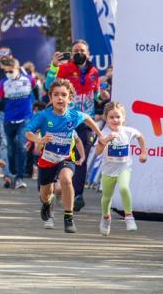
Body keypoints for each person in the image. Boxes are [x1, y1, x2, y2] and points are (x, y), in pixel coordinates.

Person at [25, 78, 105, 233]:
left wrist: (100, 135)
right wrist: (39, 139)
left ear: (70, 98)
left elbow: (88, 118)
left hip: (66, 157)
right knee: (45, 193)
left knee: (66, 180)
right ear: (51, 98)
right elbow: (28, 132)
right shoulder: (43, 116)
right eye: (56, 95)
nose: (60, 98)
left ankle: (68, 217)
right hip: (47, 159)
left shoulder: (73, 115)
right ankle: (47, 204)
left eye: (63, 95)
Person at [45, 40, 101, 212]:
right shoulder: (64, 69)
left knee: (81, 158)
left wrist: (100, 96)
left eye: (82, 50)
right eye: (76, 50)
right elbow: (48, 85)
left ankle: (77, 195)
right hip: (66, 119)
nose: (79, 53)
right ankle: (57, 187)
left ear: (88, 53)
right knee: (60, 155)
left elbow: (96, 93)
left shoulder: (94, 72)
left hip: (85, 121)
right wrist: (54, 66)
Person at [94, 102, 147, 236]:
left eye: (118, 116)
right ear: (106, 118)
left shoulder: (128, 131)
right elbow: (97, 152)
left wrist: (143, 152)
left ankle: (129, 217)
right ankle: (106, 218)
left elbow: (140, 136)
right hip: (108, 171)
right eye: (111, 117)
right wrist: (105, 140)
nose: (115, 120)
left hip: (124, 168)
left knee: (124, 188)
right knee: (107, 197)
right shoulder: (103, 133)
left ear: (123, 118)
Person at [0, 57, 36, 189]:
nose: (8, 73)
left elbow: (37, 92)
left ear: (18, 69)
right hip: (9, 120)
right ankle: (12, 170)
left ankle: (20, 178)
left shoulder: (29, 79)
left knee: (22, 148)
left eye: (11, 71)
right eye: (6, 71)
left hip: (25, 119)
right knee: (10, 149)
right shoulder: (2, 83)